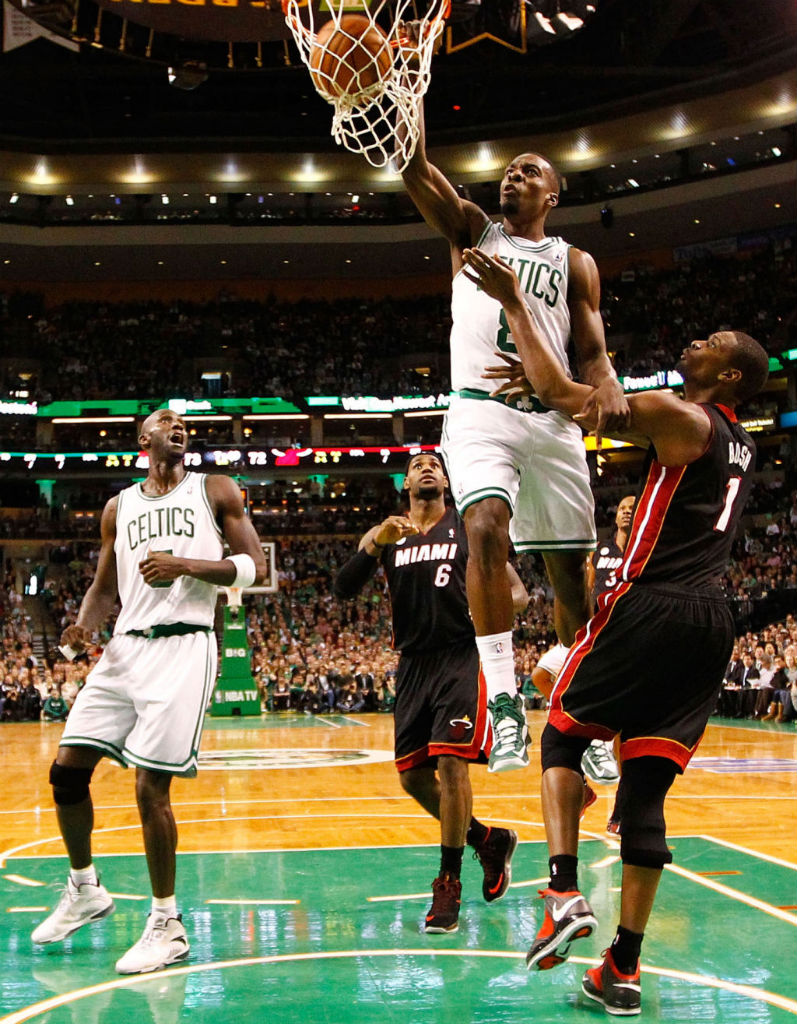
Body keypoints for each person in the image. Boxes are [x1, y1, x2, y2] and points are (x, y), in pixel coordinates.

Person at [461, 245, 768, 1015]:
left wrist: (514, 307)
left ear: (728, 376)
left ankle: (562, 890)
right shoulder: (740, 442)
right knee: (643, 796)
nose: (695, 343)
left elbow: (574, 400)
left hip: (651, 604)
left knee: (561, 733)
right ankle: (621, 969)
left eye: (713, 343)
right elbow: (602, 389)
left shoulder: (681, 417)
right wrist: (585, 357)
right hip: (710, 623)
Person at [399, 94, 629, 772]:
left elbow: (589, 352)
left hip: (553, 419)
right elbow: (415, 172)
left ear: (552, 194)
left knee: (569, 581)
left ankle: (578, 711)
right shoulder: (472, 231)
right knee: (483, 529)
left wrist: (608, 382)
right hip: (479, 410)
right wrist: (398, 104)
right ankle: (502, 701)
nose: (512, 176)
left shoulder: (574, 262)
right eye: (507, 169)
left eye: (528, 171)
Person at [31, 408, 268, 975]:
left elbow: (254, 567)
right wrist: (81, 629)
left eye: (183, 421)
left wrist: (184, 564)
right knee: (66, 771)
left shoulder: (216, 489)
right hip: (123, 648)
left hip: (185, 645)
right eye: (166, 420)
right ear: (144, 439)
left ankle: (168, 923)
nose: (178, 424)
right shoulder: (119, 506)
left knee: (149, 786)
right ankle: (85, 889)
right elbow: (103, 586)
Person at [334, 452, 528, 933]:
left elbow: (518, 593)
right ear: (404, 482)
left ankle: (448, 884)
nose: (426, 468)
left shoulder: (466, 526)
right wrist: (374, 545)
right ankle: (487, 839)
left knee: (451, 761)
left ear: (447, 478)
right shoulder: (388, 532)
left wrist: (484, 619)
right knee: (411, 778)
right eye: (417, 464)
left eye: (435, 464)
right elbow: (342, 588)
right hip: (414, 664)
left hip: (462, 655)